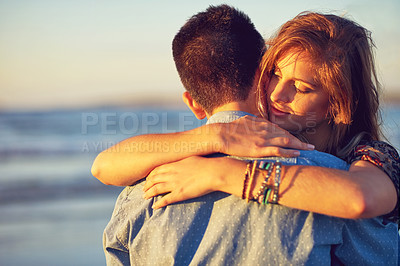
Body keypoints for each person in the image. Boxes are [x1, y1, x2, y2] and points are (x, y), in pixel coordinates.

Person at [99, 6, 399, 265]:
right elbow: (104, 165)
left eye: (303, 87)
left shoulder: (367, 160)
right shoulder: (226, 147)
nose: (277, 94)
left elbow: (360, 198)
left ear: (339, 102)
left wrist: (221, 172)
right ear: (260, 76)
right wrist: (216, 136)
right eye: (275, 75)